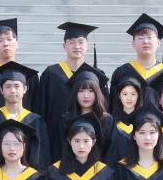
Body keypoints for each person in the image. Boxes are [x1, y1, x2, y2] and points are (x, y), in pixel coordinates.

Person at [37, 22, 106, 157]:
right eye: (72, 42)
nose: (77, 46)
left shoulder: (95, 76)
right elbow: (41, 110)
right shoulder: (51, 74)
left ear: (87, 45)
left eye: (81, 42)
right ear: (64, 45)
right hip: (56, 140)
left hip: (88, 143)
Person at [0, 61, 50, 170]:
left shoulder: (36, 121)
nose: (12, 90)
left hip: (27, 178)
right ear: (1, 90)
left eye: (17, 86)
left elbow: (41, 158)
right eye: (8, 86)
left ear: (25, 89)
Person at [108, 13, 163, 108]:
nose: (145, 41)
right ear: (133, 44)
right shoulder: (121, 72)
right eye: (140, 38)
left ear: (158, 42)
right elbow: (113, 107)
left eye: (149, 37)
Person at [63, 65, 116, 163]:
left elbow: (111, 151)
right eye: (81, 91)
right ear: (75, 94)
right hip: (71, 169)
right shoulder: (66, 119)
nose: (86, 96)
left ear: (97, 93)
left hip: (100, 170)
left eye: (91, 91)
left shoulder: (107, 120)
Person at [106, 76, 144, 164]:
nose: (129, 98)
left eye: (133, 94)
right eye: (125, 94)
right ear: (119, 96)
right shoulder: (110, 122)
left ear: (138, 95)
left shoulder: (144, 121)